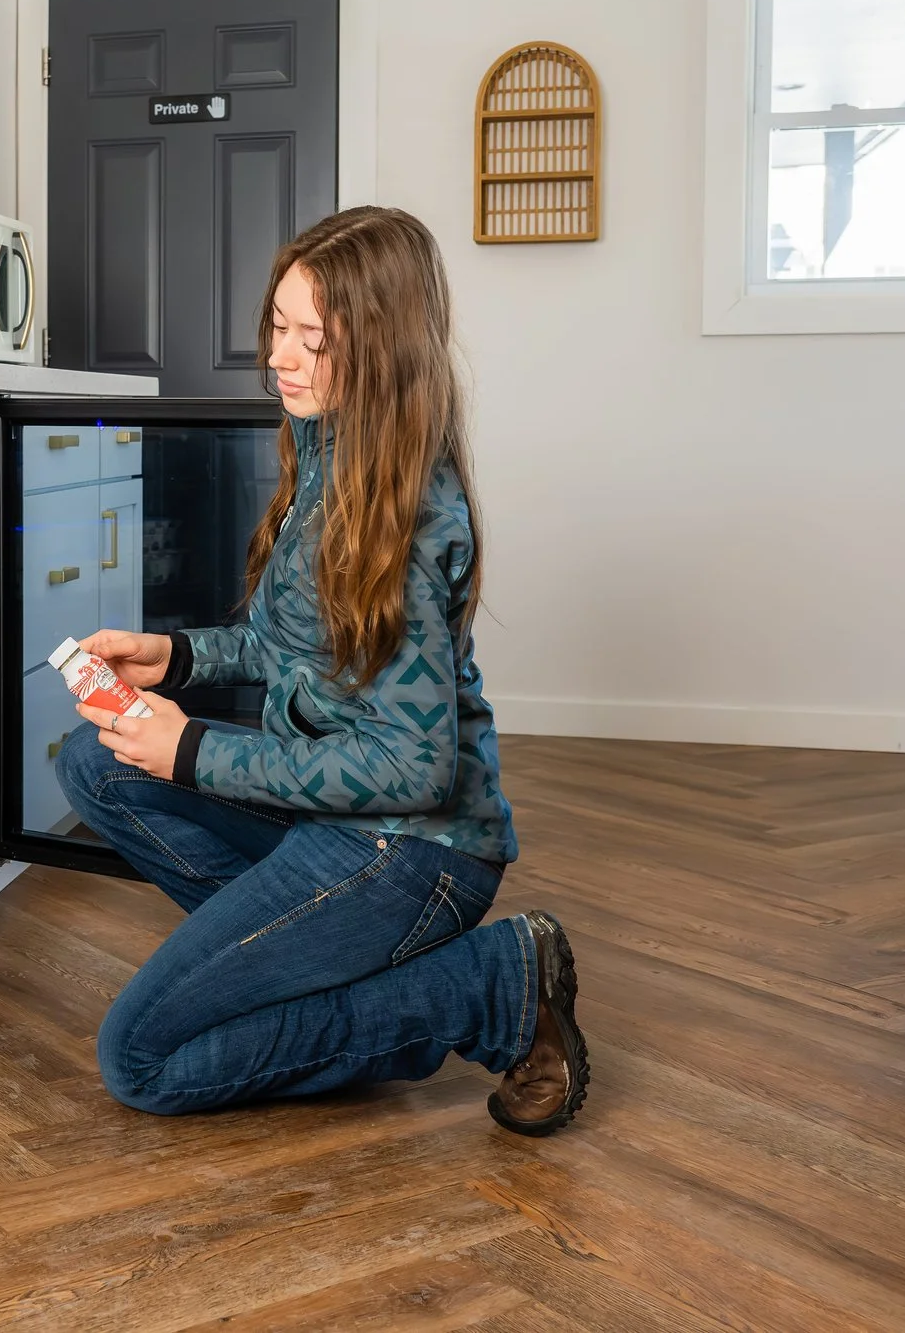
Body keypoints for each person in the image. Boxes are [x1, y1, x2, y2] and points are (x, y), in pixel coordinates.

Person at [55, 205, 588, 1131]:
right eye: (278, 327)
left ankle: (489, 989)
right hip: (329, 813)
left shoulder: (403, 511)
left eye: (314, 339)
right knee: (93, 763)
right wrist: (175, 657)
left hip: (410, 849)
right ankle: (294, 964)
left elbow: (414, 767)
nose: (281, 357)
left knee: (140, 1058)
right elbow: (298, 648)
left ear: (379, 352)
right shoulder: (328, 450)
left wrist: (192, 754)